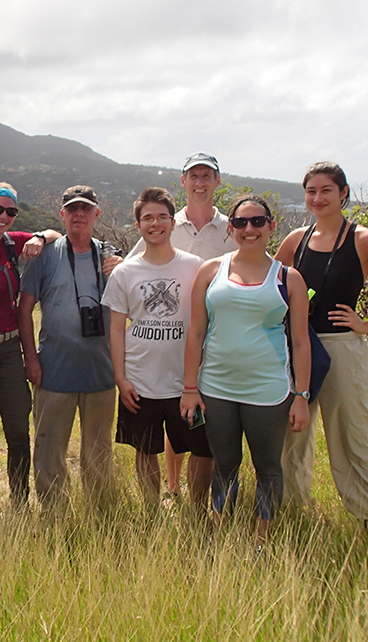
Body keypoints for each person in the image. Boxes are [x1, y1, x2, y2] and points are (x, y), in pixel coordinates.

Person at [275, 162, 368, 524]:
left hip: (341, 346)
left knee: (350, 431)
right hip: (297, 346)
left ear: (343, 193)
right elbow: (269, 286)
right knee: (292, 433)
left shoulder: (364, 240)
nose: (318, 198)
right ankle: (292, 510)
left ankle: (367, 516)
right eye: (311, 191)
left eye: (326, 190)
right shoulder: (296, 240)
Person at [181, 195, 311, 548]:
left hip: (268, 390)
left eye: (257, 222)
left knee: (268, 466)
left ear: (271, 226)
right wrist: (189, 387)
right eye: (240, 222)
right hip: (216, 387)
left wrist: (301, 396)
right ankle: (219, 532)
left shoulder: (288, 278)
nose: (248, 229)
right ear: (230, 228)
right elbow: (195, 332)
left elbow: (300, 342)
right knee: (225, 464)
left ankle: (262, 540)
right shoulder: (211, 271)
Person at [128, 152, 235, 502]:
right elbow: (130, 269)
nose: (200, 183)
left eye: (207, 176)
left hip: (218, 337)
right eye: (194, 176)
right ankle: (172, 489)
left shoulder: (232, 229)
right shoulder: (166, 222)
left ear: (218, 181)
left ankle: (200, 497)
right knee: (174, 412)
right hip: (173, 337)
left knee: (201, 420)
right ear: (183, 181)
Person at [104, 187, 210, 510]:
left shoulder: (196, 267)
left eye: (162, 216)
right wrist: (121, 378)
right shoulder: (125, 272)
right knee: (145, 449)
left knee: (203, 449)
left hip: (187, 382)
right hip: (141, 381)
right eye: (147, 218)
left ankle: (196, 511)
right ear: (138, 225)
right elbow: (116, 329)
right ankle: (151, 508)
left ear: (172, 222)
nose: (155, 223)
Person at [18, 185, 117, 512]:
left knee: (99, 452)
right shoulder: (45, 255)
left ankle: (102, 517)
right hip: (54, 371)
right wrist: (30, 360)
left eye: (85, 209)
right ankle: (53, 517)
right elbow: (24, 308)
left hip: (101, 373)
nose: (79, 215)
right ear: (62, 215)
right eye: (72, 209)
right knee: (49, 452)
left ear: (96, 214)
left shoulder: (110, 256)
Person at [0, 182, 61, 511]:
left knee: (18, 432)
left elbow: (53, 233)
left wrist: (37, 237)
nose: (3, 217)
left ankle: (19, 502)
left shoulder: (13, 243)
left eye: (10, 211)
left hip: (8, 350)